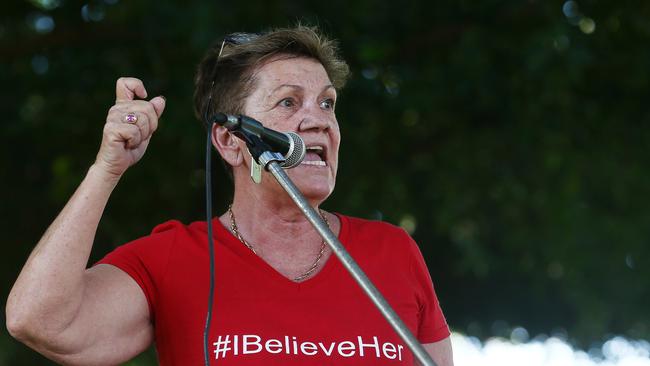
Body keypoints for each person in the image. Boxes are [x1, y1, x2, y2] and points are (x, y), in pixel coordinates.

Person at [6, 25, 453, 365]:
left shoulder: (394, 251)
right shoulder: (172, 258)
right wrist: (108, 169)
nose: (319, 120)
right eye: (288, 102)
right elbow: (39, 320)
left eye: (327, 103)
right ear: (230, 141)